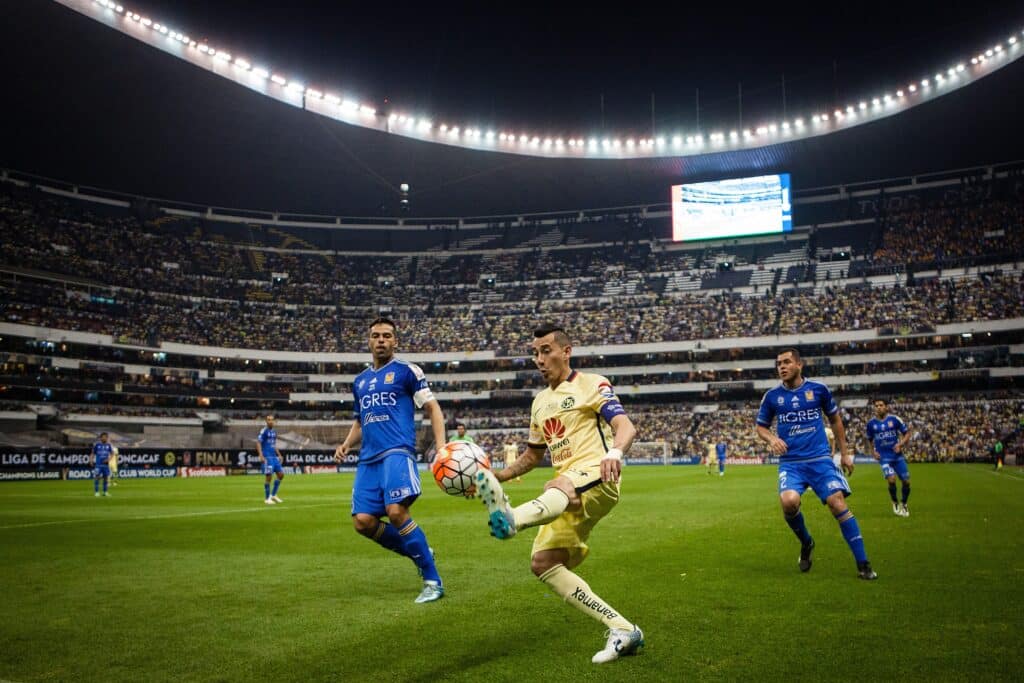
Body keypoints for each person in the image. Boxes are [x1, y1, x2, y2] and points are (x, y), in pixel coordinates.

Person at [475, 323, 644, 664]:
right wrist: (498, 475)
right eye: (535, 353)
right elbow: (533, 455)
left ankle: (513, 519)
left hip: (600, 472)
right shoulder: (539, 403)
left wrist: (616, 452)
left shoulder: (591, 384)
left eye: (546, 351)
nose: (540, 359)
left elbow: (624, 425)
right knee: (543, 563)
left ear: (566, 351)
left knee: (561, 484)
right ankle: (624, 629)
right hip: (566, 487)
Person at [334, 317, 447, 604]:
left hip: (397, 451)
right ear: (369, 341)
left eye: (387, 335)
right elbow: (361, 420)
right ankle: (417, 550)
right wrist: (347, 444)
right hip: (368, 459)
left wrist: (442, 447)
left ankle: (432, 580)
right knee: (363, 522)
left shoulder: (407, 371)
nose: (381, 340)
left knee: (396, 511)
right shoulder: (359, 382)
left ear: (395, 340)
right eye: (376, 335)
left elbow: (433, 409)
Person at [755, 348, 877, 580]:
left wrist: (844, 453)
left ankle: (863, 563)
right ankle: (807, 542)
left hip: (820, 460)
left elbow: (835, 420)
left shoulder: (818, 390)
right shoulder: (772, 396)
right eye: (779, 363)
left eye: (787, 362)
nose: (782, 366)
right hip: (791, 463)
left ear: (799, 365)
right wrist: (772, 439)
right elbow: (760, 426)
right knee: (789, 502)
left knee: (837, 503)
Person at [865, 399, 912, 516]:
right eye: (876, 406)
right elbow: (869, 439)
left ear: (886, 407)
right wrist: (873, 452)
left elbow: (907, 433)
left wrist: (900, 444)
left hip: (897, 456)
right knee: (891, 479)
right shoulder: (871, 424)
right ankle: (895, 502)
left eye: (881, 405)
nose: (878, 407)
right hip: (884, 457)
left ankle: (904, 504)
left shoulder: (894, 419)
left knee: (906, 482)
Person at [257, 415, 284, 505]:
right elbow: (258, 442)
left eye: (272, 420)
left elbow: (274, 445)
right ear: (266, 421)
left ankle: (273, 495)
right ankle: (267, 498)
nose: (270, 421)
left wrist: (279, 455)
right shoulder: (264, 431)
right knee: (269, 476)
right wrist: (261, 455)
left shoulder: (274, 432)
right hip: (267, 457)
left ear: (274, 421)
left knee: (281, 475)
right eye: (268, 420)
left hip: (274, 457)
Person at [91, 432, 113, 497]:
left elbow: (112, 454)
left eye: (106, 437)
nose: (104, 438)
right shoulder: (97, 445)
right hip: (98, 465)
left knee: (106, 478)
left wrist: (108, 460)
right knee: (97, 478)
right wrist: (91, 460)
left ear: (107, 438)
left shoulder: (108, 445)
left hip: (105, 465)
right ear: (100, 438)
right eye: (103, 437)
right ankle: (96, 492)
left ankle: (105, 492)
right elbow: (92, 453)